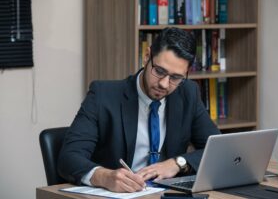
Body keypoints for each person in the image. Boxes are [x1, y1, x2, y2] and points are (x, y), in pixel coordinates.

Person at [57, 27, 220, 193]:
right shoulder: (102, 95)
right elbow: (69, 158)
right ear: (147, 57)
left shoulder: (188, 94)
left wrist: (177, 163)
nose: (164, 83)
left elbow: (218, 150)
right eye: (159, 71)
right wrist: (104, 177)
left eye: (176, 77)